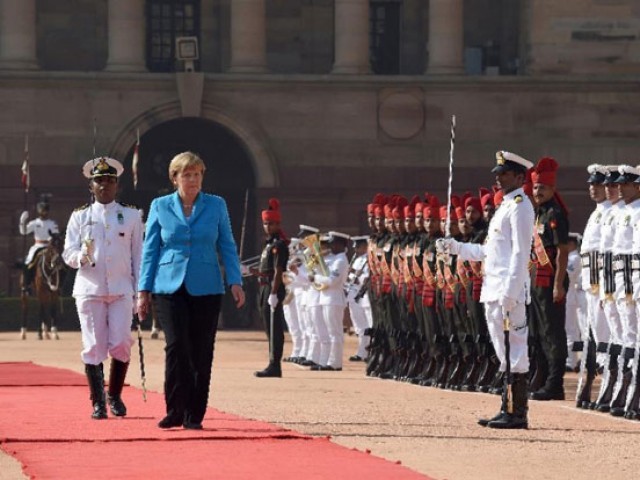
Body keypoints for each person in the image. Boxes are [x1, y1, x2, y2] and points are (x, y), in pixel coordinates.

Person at [136, 151, 245, 429]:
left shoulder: (216, 205)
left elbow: (227, 245)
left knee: (201, 350)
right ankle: (174, 409)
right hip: (168, 285)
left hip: (207, 284)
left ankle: (194, 414)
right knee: (176, 346)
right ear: (175, 178)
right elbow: (150, 251)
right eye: (187, 174)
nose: (193, 180)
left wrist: (235, 281)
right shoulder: (159, 206)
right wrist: (143, 291)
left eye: (197, 174)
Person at [438, 150, 535, 429]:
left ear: (519, 176)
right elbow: (488, 252)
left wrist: (511, 291)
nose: (498, 177)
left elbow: (520, 254)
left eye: (504, 173)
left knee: (514, 349)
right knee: (503, 351)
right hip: (493, 289)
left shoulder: (520, 206)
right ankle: (507, 407)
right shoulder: (504, 206)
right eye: (497, 173)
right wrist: (456, 247)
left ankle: (518, 412)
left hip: (508, 290)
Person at [62, 157, 143, 420]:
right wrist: (80, 258)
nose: (104, 185)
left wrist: (142, 291)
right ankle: (97, 402)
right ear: (91, 186)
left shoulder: (131, 215)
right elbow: (68, 253)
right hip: (90, 288)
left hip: (121, 288)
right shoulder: (80, 217)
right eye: (99, 180)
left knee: (121, 343)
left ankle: (115, 395)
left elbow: (138, 256)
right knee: (93, 346)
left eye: (109, 180)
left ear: (117, 185)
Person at [253, 198, 289, 378]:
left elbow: (278, 271)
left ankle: (275, 365)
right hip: (264, 287)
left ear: (278, 224)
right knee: (268, 327)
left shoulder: (279, 245)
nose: (268, 227)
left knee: (274, 328)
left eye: (271, 224)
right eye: (266, 224)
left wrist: (274, 293)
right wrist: (250, 271)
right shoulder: (268, 244)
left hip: (272, 289)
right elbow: (265, 270)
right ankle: (271, 361)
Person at [19, 200, 59, 296]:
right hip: (37, 246)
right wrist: (22, 221)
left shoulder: (52, 223)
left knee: (59, 263)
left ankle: (60, 285)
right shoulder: (34, 223)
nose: (44, 212)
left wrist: (52, 240)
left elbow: (56, 234)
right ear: (39, 211)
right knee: (28, 263)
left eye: (45, 210)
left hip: (49, 246)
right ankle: (26, 285)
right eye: (42, 210)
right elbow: (24, 232)